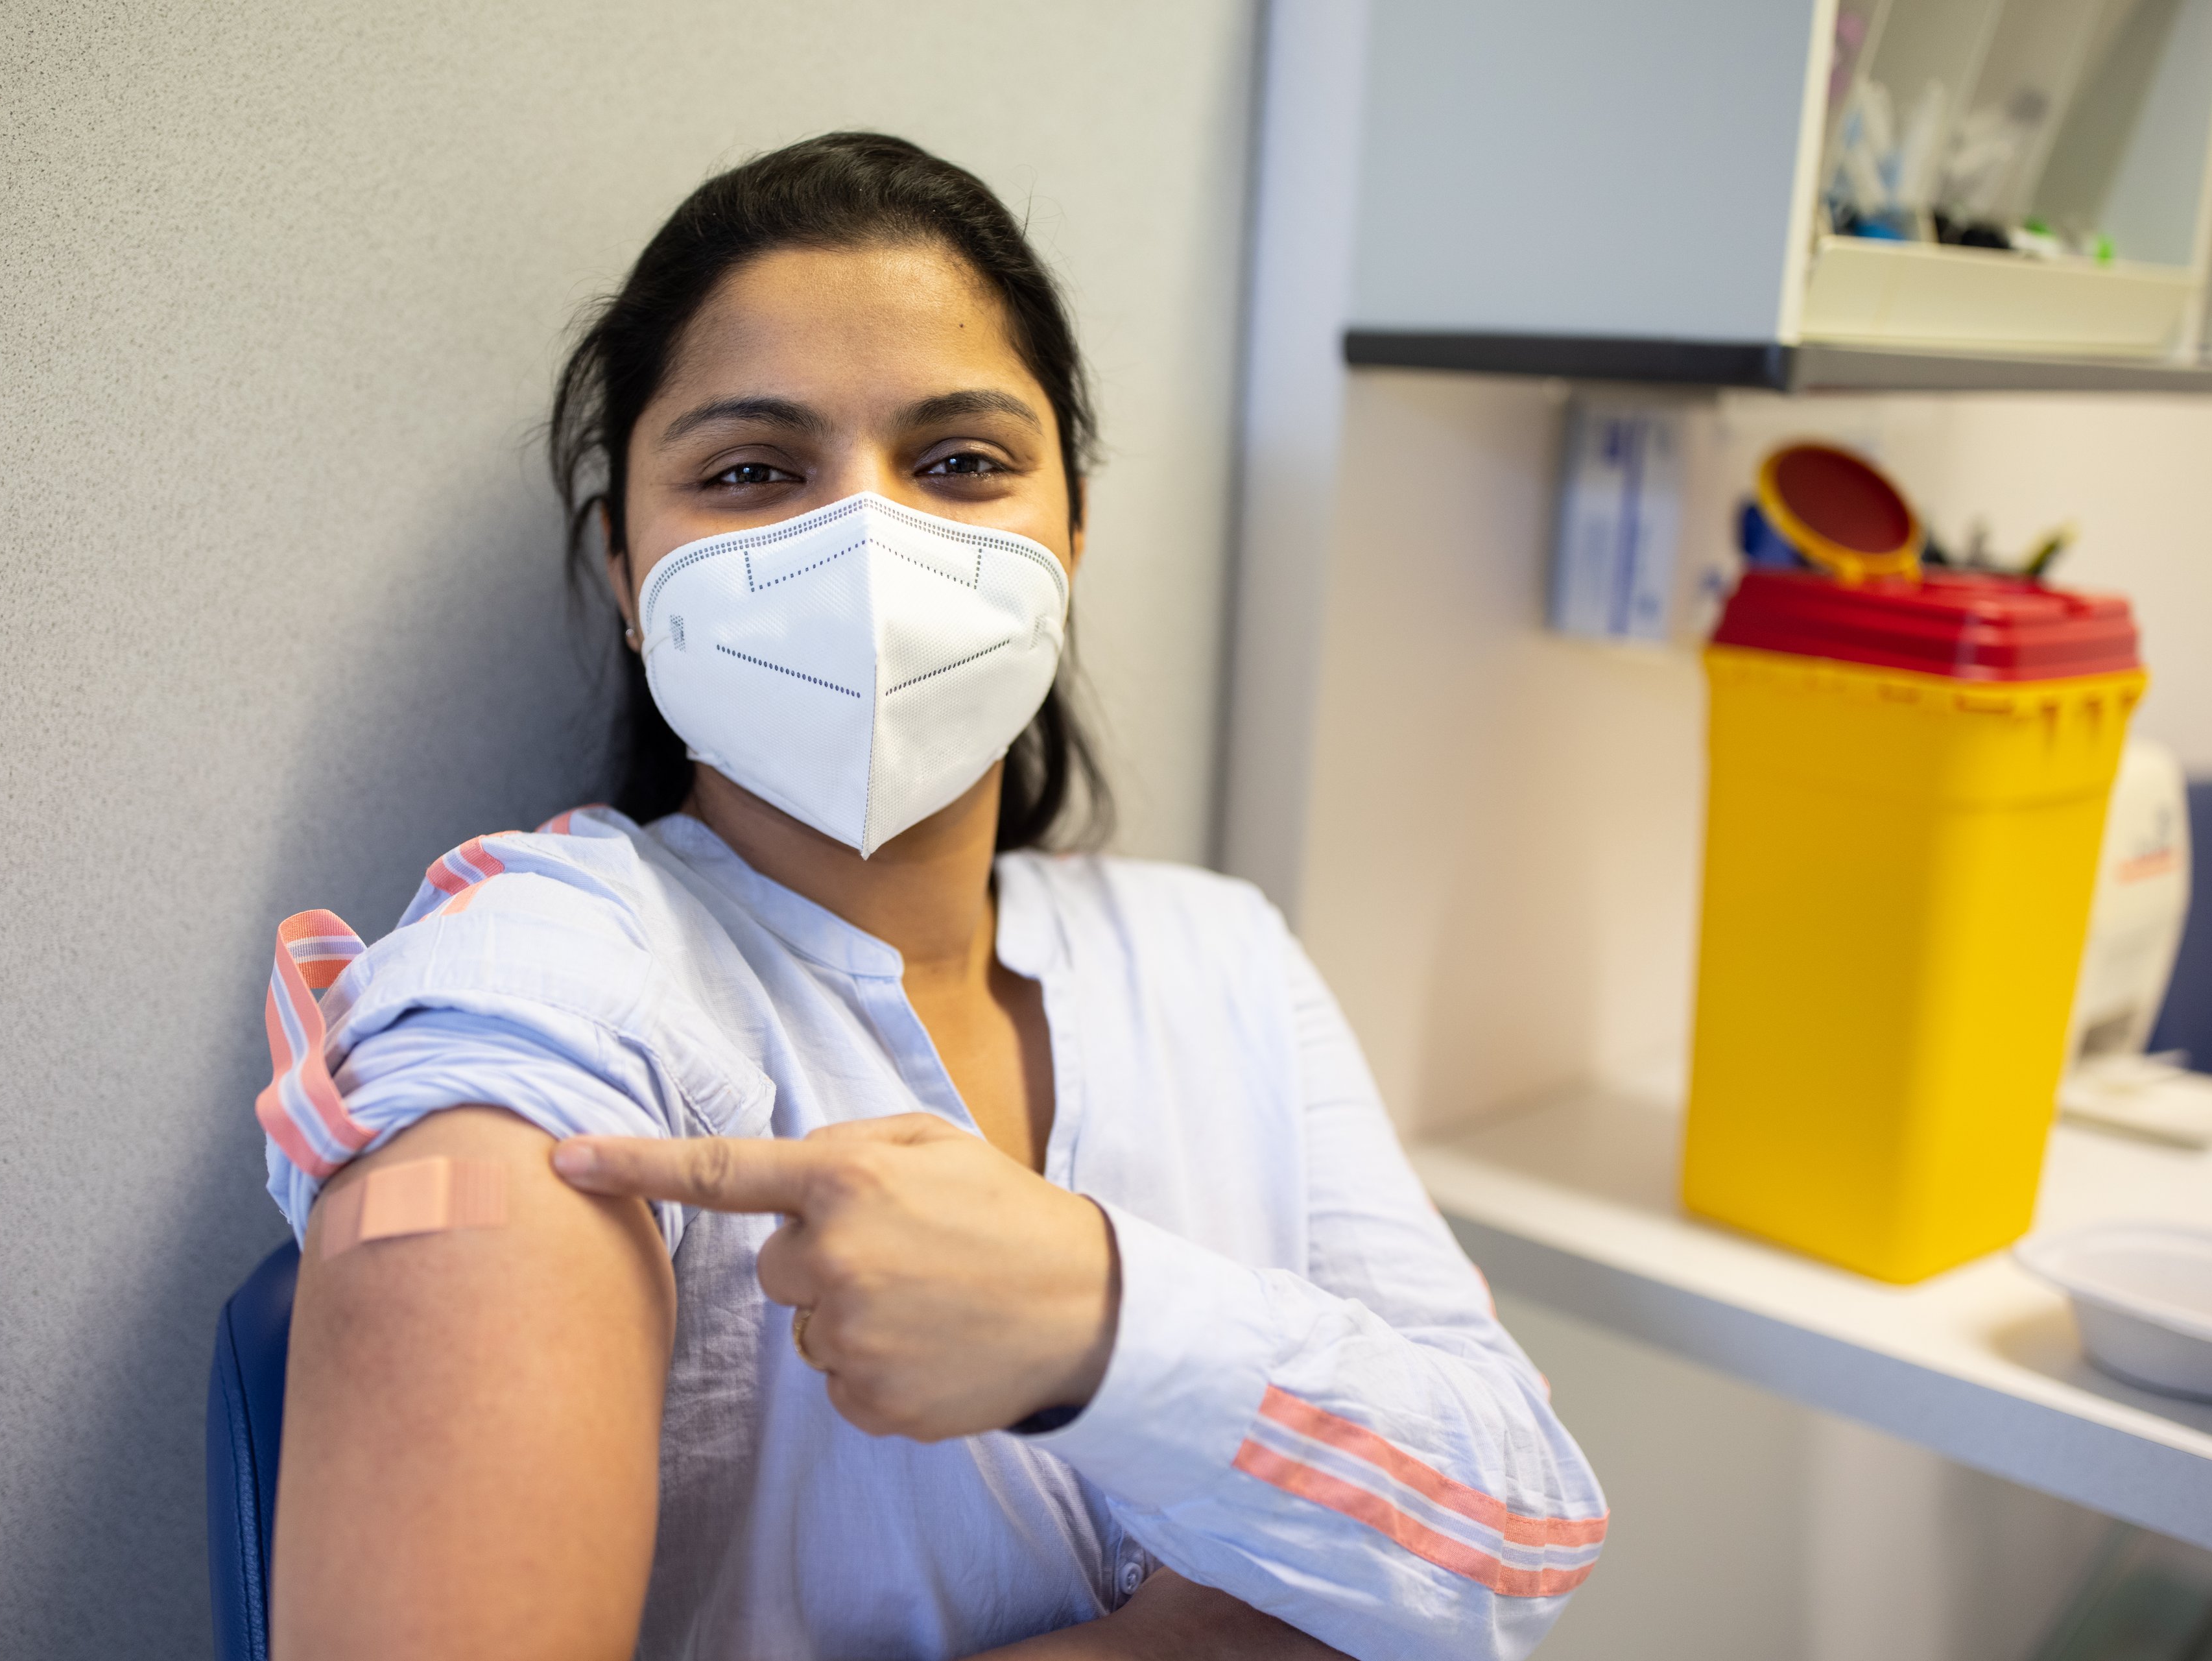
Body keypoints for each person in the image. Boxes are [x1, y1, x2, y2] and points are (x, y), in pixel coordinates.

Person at [259, 132, 1605, 1661]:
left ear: (1072, 539)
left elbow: (1525, 1537)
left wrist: (1101, 1323)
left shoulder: (1215, 954)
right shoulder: (542, 981)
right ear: (632, 578)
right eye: (753, 472)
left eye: (960, 462)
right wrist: (1180, 1640)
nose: (869, 544)